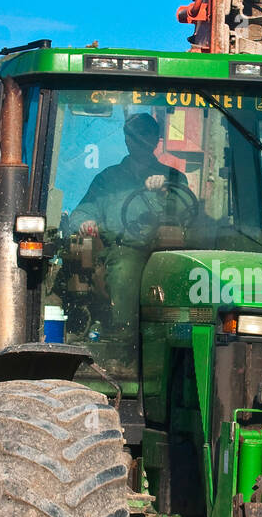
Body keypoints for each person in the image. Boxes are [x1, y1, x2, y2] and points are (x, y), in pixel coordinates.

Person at [63, 111, 190, 356]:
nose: (140, 142)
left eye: (146, 136)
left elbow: (190, 211)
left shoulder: (174, 178)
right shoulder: (108, 180)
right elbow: (82, 210)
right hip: (125, 249)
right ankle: (124, 339)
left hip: (170, 252)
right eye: (134, 137)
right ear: (126, 140)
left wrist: (166, 192)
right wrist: (84, 222)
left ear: (156, 140)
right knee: (124, 269)